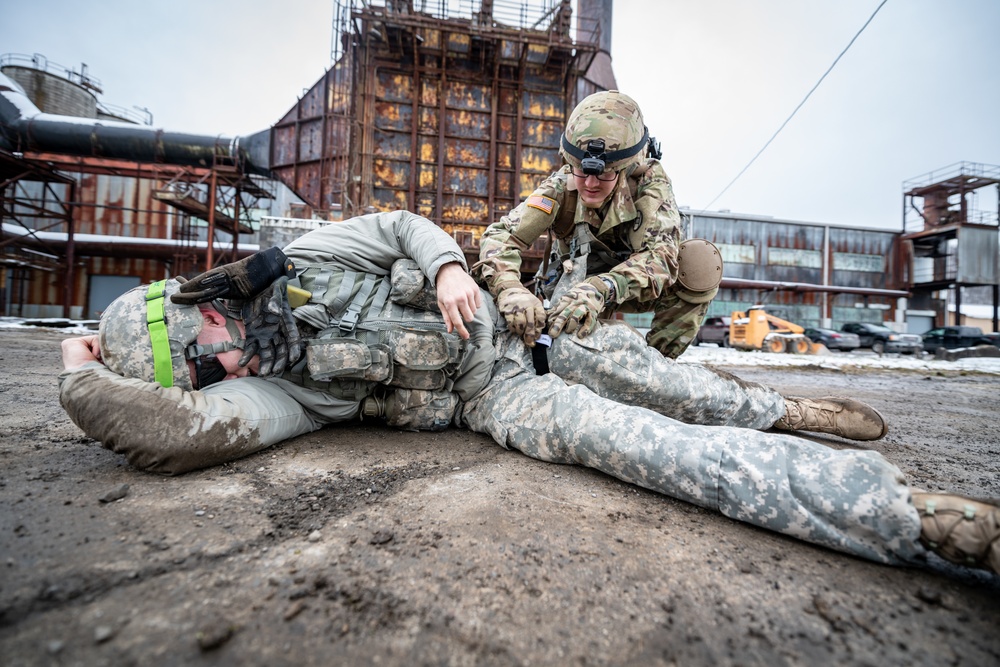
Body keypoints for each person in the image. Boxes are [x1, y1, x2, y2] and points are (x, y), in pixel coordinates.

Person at [59, 210, 998, 578]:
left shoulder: (302, 256)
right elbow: (175, 436)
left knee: (654, 375)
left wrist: (447, 267)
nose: (228, 371)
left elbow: (398, 223)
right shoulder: (280, 394)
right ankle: (911, 517)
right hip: (497, 404)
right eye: (207, 378)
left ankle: (776, 407)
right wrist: (78, 375)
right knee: (646, 448)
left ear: (213, 302)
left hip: (517, 328)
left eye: (210, 349)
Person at [475, 90, 719, 359]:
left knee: (701, 262)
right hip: (570, 286)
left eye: (604, 173)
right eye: (582, 170)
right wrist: (510, 288)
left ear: (625, 168)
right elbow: (501, 236)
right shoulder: (560, 188)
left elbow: (661, 259)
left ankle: (656, 364)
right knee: (563, 352)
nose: (590, 183)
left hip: (628, 285)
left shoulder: (650, 187)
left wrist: (602, 288)